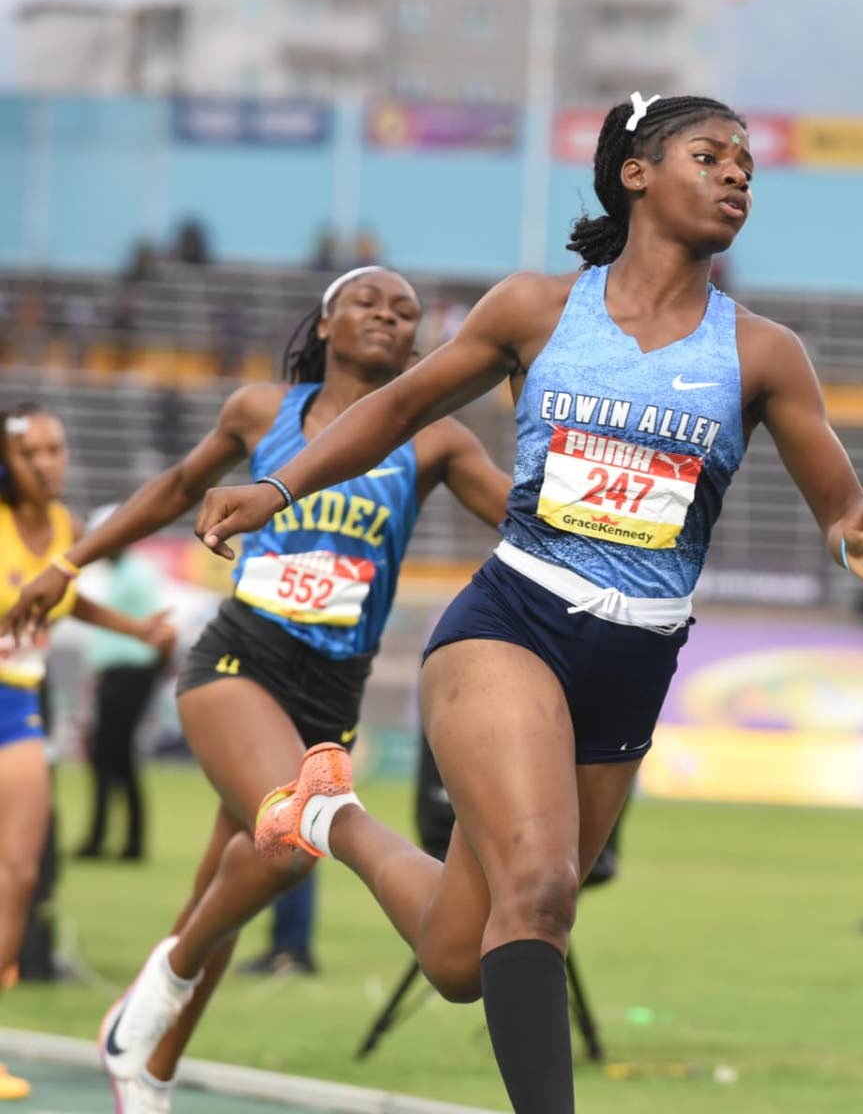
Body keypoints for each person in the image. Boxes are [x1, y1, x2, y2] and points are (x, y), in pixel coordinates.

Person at [180, 93, 863, 1114]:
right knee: (540, 893)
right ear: (634, 173)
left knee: (456, 954)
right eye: (708, 156)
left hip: (634, 660)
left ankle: (330, 817)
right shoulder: (536, 310)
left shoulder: (761, 354)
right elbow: (398, 407)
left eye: (745, 164)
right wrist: (274, 489)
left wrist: (857, 541)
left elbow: (837, 505)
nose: (736, 175)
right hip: (511, 622)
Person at [2, 267, 511, 1113]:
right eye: (367, 303)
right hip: (241, 658)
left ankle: (148, 1068)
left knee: (230, 886)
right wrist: (67, 562)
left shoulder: (436, 440)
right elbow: (172, 490)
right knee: (288, 835)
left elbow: (524, 522)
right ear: (325, 322)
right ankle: (154, 990)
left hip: (330, 695)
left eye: (405, 312)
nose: (387, 315)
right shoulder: (259, 411)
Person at [0, 404, 175, 1103]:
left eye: (56, 449)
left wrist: (139, 629)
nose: (48, 464)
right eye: (30, 454)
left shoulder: (68, 528)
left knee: (17, 874)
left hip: (19, 704)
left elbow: (64, 602)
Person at [76, 506, 171, 862]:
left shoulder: (133, 575)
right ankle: (123, 842)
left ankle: (105, 840)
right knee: (114, 757)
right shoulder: (122, 573)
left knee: (109, 756)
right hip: (119, 675)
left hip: (130, 675)